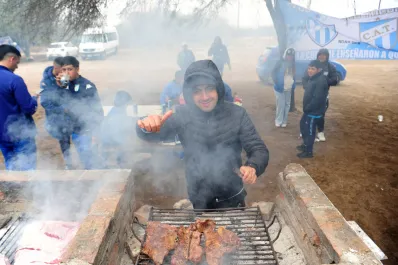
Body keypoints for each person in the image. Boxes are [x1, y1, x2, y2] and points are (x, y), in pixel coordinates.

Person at [136, 60, 269, 209]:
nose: (204, 97)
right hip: (198, 197)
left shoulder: (237, 114)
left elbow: (258, 149)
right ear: (189, 94)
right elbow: (151, 134)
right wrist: (146, 126)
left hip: (233, 197)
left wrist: (253, 166)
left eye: (209, 88)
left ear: (218, 88)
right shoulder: (183, 115)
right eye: (197, 91)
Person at [58, 56, 104, 169]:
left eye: (69, 69)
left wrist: (95, 133)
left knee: (90, 159)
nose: (66, 73)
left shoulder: (88, 86)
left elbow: (97, 111)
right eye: (64, 70)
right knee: (84, 157)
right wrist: (60, 87)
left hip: (87, 130)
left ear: (77, 69)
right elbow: (61, 103)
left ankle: (97, 179)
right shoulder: (65, 85)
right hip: (74, 129)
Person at [0, 44, 38, 170]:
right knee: (28, 170)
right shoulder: (14, 80)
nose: (17, 66)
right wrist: (34, 99)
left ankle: (13, 188)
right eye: (17, 62)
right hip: (21, 132)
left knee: (11, 164)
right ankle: (29, 189)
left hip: (2, 134)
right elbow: (29, 108)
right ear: (12, 59)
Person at [40, 57, 75, 169]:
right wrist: (62, 109)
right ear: (55, 68)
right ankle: (67, 163)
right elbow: (46, 103)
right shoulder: (46, 82)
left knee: (70, 138)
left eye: (66, 69)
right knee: (63, 139)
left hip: (69, 116)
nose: (65, 72)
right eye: (62, 70)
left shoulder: (66, 77)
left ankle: (71, 162)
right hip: (56, 118)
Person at [302, 48, 338, 142]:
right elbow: (305, 78)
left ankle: (320, 132)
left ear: (327, 56)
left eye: (324, 55)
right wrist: (308, 87)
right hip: (310, 94)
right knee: (308, 110)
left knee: (320, 113)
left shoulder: (330, 67)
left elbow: (335, 80)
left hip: (323, 95)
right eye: (320, 54)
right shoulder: (313, 64)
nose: (321, 56)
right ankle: (307, 130)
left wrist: (324, 81)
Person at [297, 60, 329, 159]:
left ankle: (308, 152)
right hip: (309, 110)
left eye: (313, 69)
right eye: (309, 68)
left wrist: (308, 108)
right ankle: (305, 144)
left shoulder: (320, 80)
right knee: (303, 125)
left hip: (314, 111)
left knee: (310, 131)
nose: (310, 71)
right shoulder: (313, 78)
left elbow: (317, 98)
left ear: (318, 70)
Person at [101, 91, 136, 168]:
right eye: (128, 103)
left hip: (109, 145)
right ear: (124, 102)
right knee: (115, 166)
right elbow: (117, 135)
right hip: (110, 145)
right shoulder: (117, 113)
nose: (128, 105)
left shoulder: (116, 110)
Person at [271, 48, 296, 128]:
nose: (290, 57)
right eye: (288, 55)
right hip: (280, 88)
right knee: (280, 105)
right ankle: (278, 120)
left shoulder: (293, 64)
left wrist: (293, 85)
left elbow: (294, 76)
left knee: (287, 105)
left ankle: (284, 121)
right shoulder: (280, 63)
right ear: (285, 55)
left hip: (288, 88)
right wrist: (277, 83)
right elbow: (273, 73)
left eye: (292, 56)